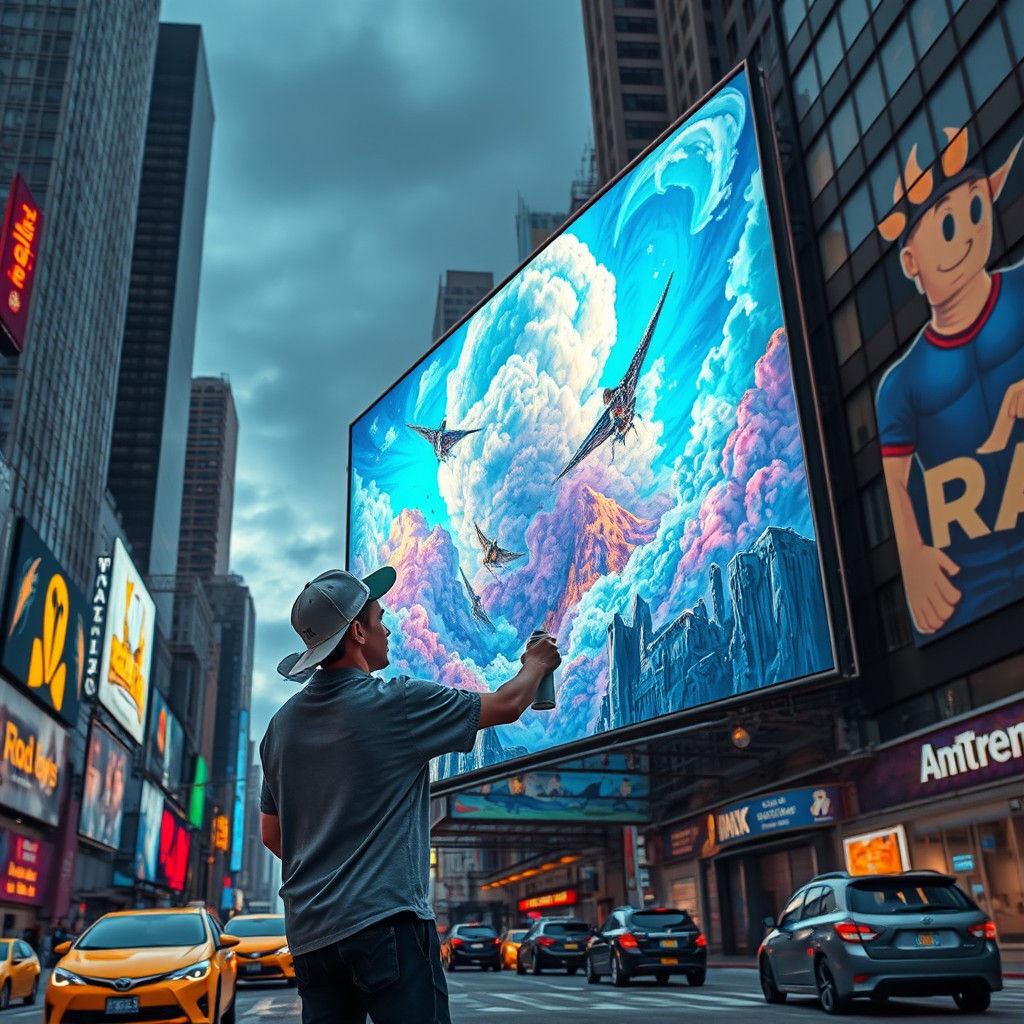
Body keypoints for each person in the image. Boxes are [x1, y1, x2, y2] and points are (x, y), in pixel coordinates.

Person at [259, 565, 560, 1024]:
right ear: (357, 632)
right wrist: (537, 663)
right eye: (379, 617)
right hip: (387, 927)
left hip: (310, 938)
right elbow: (506, 704)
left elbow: (271, 834)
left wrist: (331, 861)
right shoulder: (395, 704)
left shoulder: (279, 728)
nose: (388, 626)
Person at [875, 127, 1024, 638]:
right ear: (910, 261)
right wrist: (913, 556)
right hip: (967, 594)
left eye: (974, 210)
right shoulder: (901, 383)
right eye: (944, 225)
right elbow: (894, 483)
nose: (963, 234)